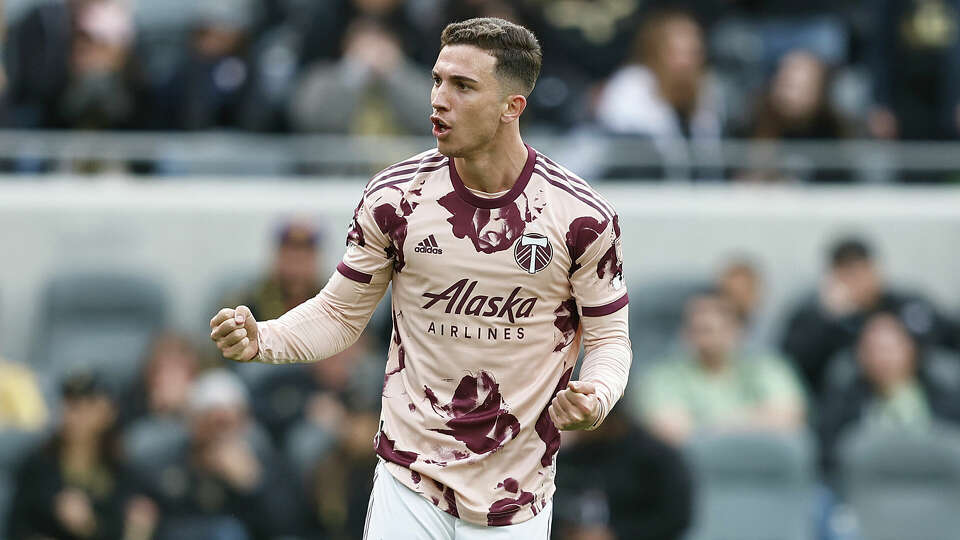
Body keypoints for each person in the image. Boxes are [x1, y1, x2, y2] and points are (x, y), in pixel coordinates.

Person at [211, 17, 631, 539]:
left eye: (462, 86)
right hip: (408, 482)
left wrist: (597, 394)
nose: (438, 98)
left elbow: (611, 339)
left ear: (511, 107)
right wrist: (264, 338)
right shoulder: (395, 199)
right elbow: (340, 314)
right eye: (436, 80)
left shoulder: (580, 217)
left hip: (516, 498)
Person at [780, 236, 959, 398]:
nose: (858, 282)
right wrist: (826, 318)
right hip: (856, 398)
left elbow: (948, 334)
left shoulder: (907, 303)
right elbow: (793, 367)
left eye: (862, 271)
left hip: (921, 390)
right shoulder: (816, 314)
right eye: (848, 274)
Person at [636, 290, 806, 447]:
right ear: (684, 332)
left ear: (738, 331)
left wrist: (708, 426)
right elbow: (671, 430)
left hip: (762, 463)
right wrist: (753, 420)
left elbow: (788, 416)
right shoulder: (661, 376)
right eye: (700, 329)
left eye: (716, 328)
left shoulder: (767, 366)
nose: (708, 339)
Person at [6, 370, 158, 540]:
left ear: (109, 412)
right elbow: (18, 523)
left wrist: (90, 525)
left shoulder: (122, 470)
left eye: (88, 406)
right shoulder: (39, 465)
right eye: (71, 405)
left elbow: (130, 521)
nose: (77, 415)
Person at [818, 312, 960, 475]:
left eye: (890, 349)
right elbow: (829, 455)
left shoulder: (943, 394)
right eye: (873, 350)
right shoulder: (843, 400)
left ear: (911, 350)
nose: (883, 358)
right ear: (860, 356)